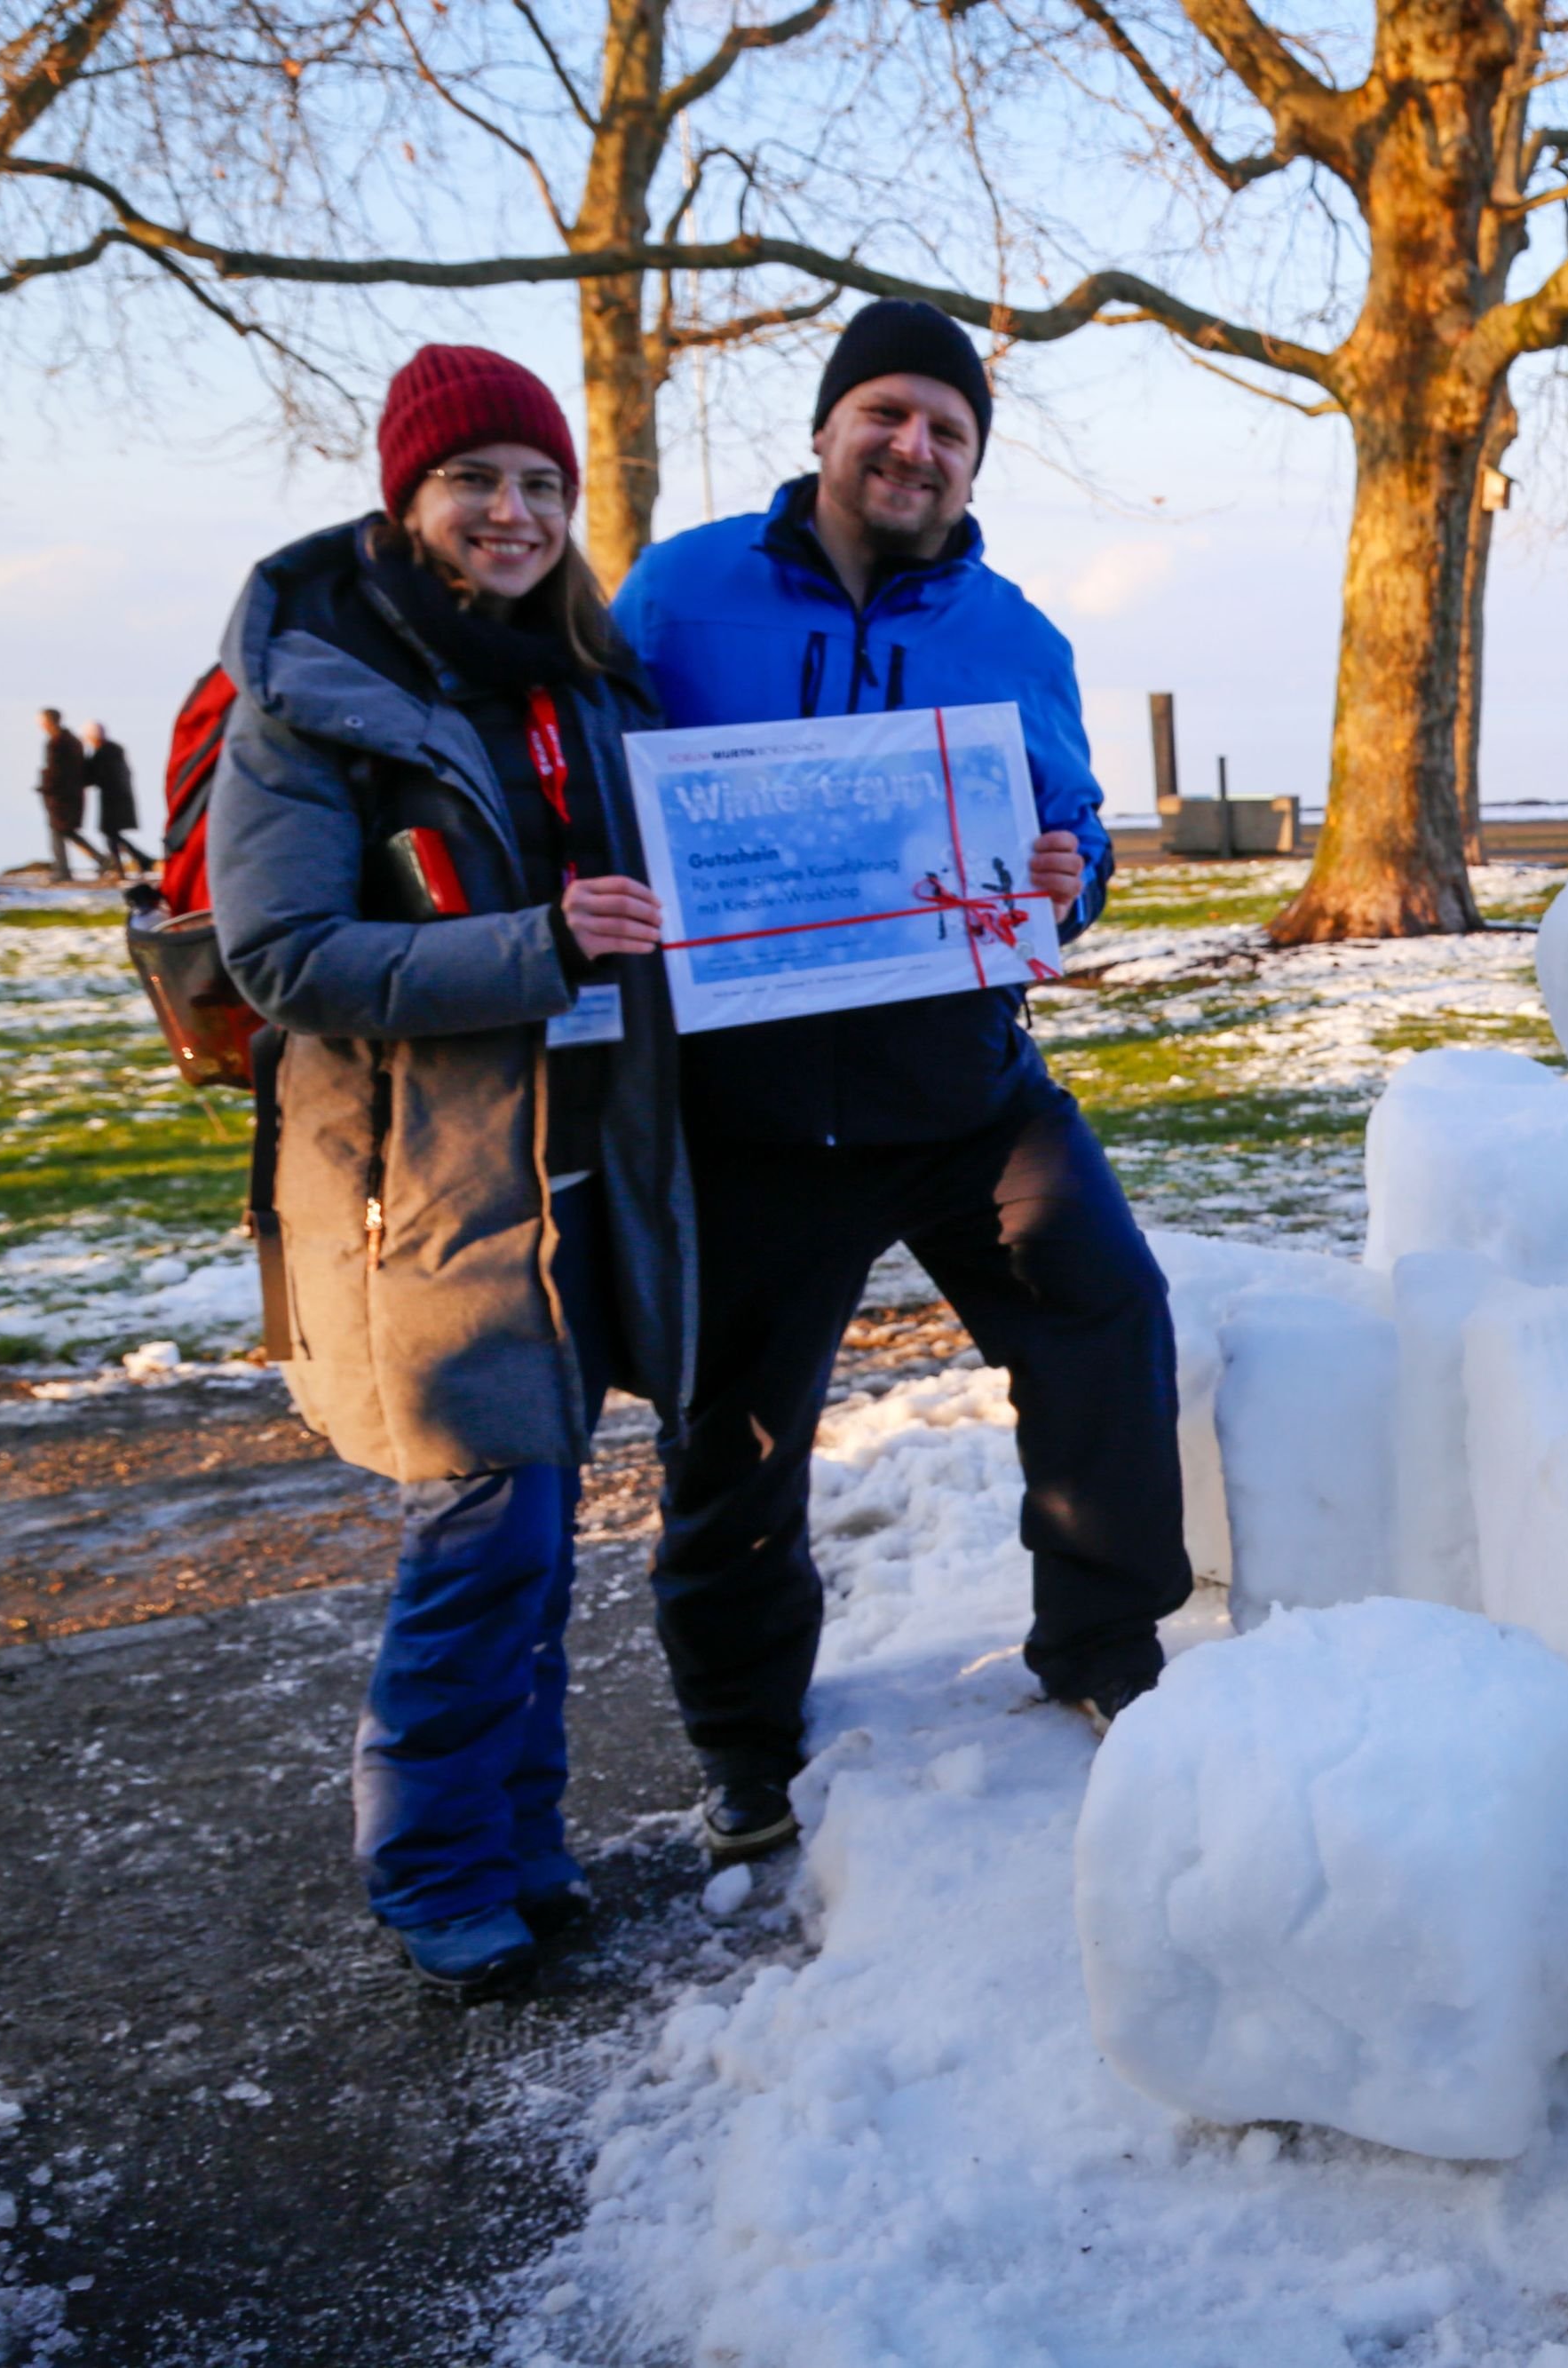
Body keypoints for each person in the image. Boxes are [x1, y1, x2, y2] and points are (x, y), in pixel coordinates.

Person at [616, 299, 1189, 1867]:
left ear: (971, 460)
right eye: (886, 413)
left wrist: (1072, 877)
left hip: (962, 1086)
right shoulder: (680, 594)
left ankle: (1105, 1648)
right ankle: (742, 1743)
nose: (913, 446)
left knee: (1106, 1309)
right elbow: (601, 784)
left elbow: (1072, 841)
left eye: (947, 427)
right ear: (824, 431)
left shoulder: (1012, 632)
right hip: (757, 1106)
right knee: (734, 1434)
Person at [208, 345, 690, 2001]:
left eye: (541, 484)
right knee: (485, 1521)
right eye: (475, 479)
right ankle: (432, 1871)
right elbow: (282, 953)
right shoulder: (315, 693)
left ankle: (522, 1843)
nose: (512, 511)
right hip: (419, 1181)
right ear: (408, 497)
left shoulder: (588, 679)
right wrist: (537, 946)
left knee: (541, 1522)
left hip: (581, 1165)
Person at [35, 709, 100, 878]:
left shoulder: (57, 743)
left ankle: (62, 870)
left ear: (48, 722)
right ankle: (101, 860)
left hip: (61, 795)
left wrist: (46, 785)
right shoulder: (72, 741)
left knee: (58, 830)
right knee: (65, 830)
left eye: (41, 721)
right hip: (70, 793)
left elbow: (57, 771)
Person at [83, 722, 149, 875]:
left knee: (110, 833)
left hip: (112, 798)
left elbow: (95, 776)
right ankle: (136, 861)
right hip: (119, 796)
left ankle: (126, 865)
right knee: (112, 833)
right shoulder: (113, 750)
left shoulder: (104, 753)